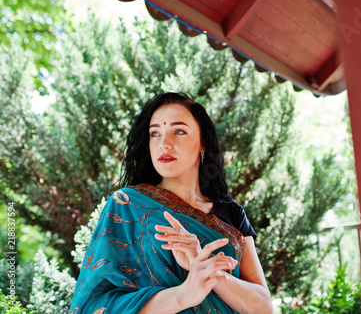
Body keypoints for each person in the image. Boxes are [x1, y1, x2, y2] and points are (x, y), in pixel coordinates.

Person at [69, 93, 272, 314]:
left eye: (179, 131)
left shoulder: (231, 213)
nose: (164, 144)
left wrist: (205, 268)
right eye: (155, 133)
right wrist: (184, 295)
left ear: (203, 142)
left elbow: (263, 308)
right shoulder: (126, 205)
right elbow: (93, 305)